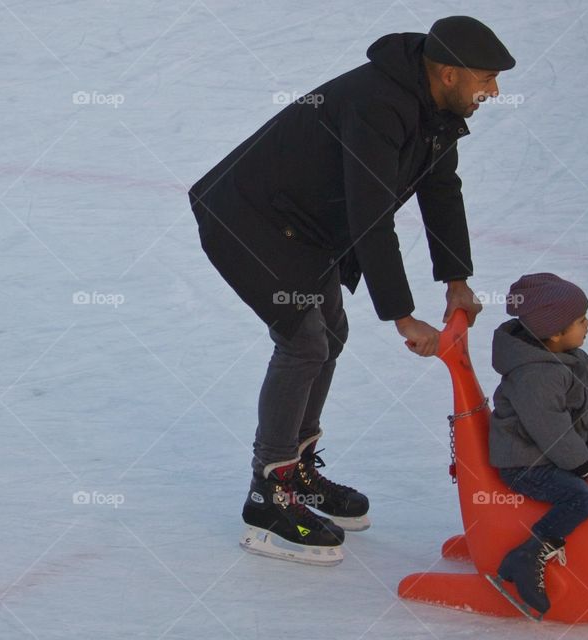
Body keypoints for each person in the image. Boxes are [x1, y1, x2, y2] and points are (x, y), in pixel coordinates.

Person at [187, 16, 515, 565]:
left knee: (329, 332)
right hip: (247, 217)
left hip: (303, 224)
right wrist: (403, 316)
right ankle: (268, 496)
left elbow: (440, 187)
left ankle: (298, 470)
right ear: (451, 74)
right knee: (304, 341)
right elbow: (371, 213)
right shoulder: (377, 103)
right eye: (486, 77)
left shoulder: (433, 106)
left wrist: (457, 281)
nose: (494, 91)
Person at [487, 273, 588, 616]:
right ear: (554, 333)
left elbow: (582, 410)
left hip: (549, 453)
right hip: (524, 463)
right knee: (580, 496)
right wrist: (582, 464)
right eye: (580, 320)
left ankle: (584, 549)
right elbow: (552, 429)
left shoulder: (572, 357)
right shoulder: (536, 374)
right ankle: (527, 555)